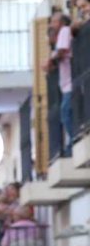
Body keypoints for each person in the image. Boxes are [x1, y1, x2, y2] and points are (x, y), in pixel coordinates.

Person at [45, 11, 75, 155]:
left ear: (61, 22)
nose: (52, 24)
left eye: (54, 21)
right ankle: (72, 141)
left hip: (70, 83)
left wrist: (51, 60)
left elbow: (62, 51)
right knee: (67, 113)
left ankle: (73, 142)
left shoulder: (64, 30)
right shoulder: (61, 35)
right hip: (66, 84)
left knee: (65, 113)